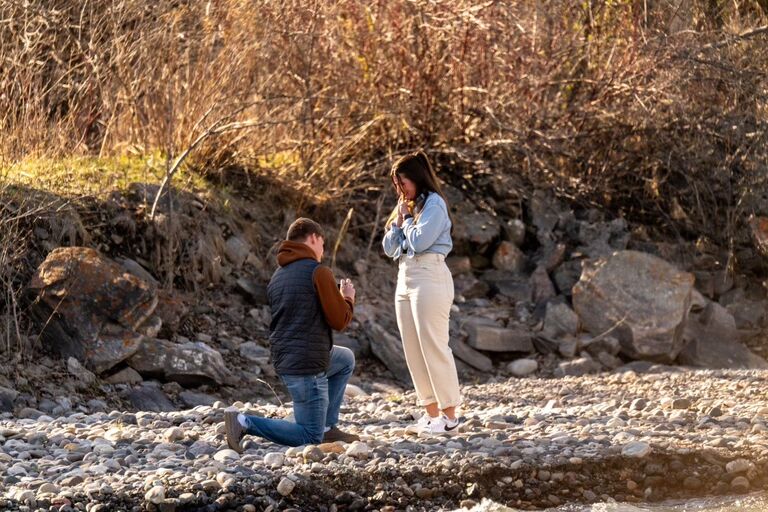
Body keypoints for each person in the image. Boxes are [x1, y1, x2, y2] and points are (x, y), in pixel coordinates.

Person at [225, 217, 360, 450]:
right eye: (323, 244)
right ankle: (243, 422)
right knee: (309, 436)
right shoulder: (318, 272)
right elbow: (339, 321)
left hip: (286, 359)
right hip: (307, 365)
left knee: (345, 358)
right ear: (314, 238)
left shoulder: (278, 276)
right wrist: (347, 298)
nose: (323, 251)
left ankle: (328, 427)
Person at [381, 150, 461, 435]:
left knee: (433, 344)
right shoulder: (407, 207)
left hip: (430, 275)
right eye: (397, 184)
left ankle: (450, 415)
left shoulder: (434, 205)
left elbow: (422, 240)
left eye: (403, 183)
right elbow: (389, 247)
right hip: (406, 276)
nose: (400, 190)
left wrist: (404, 225)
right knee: (412, 348)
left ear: (416, 178)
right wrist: (401, 224)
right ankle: (431, 414)